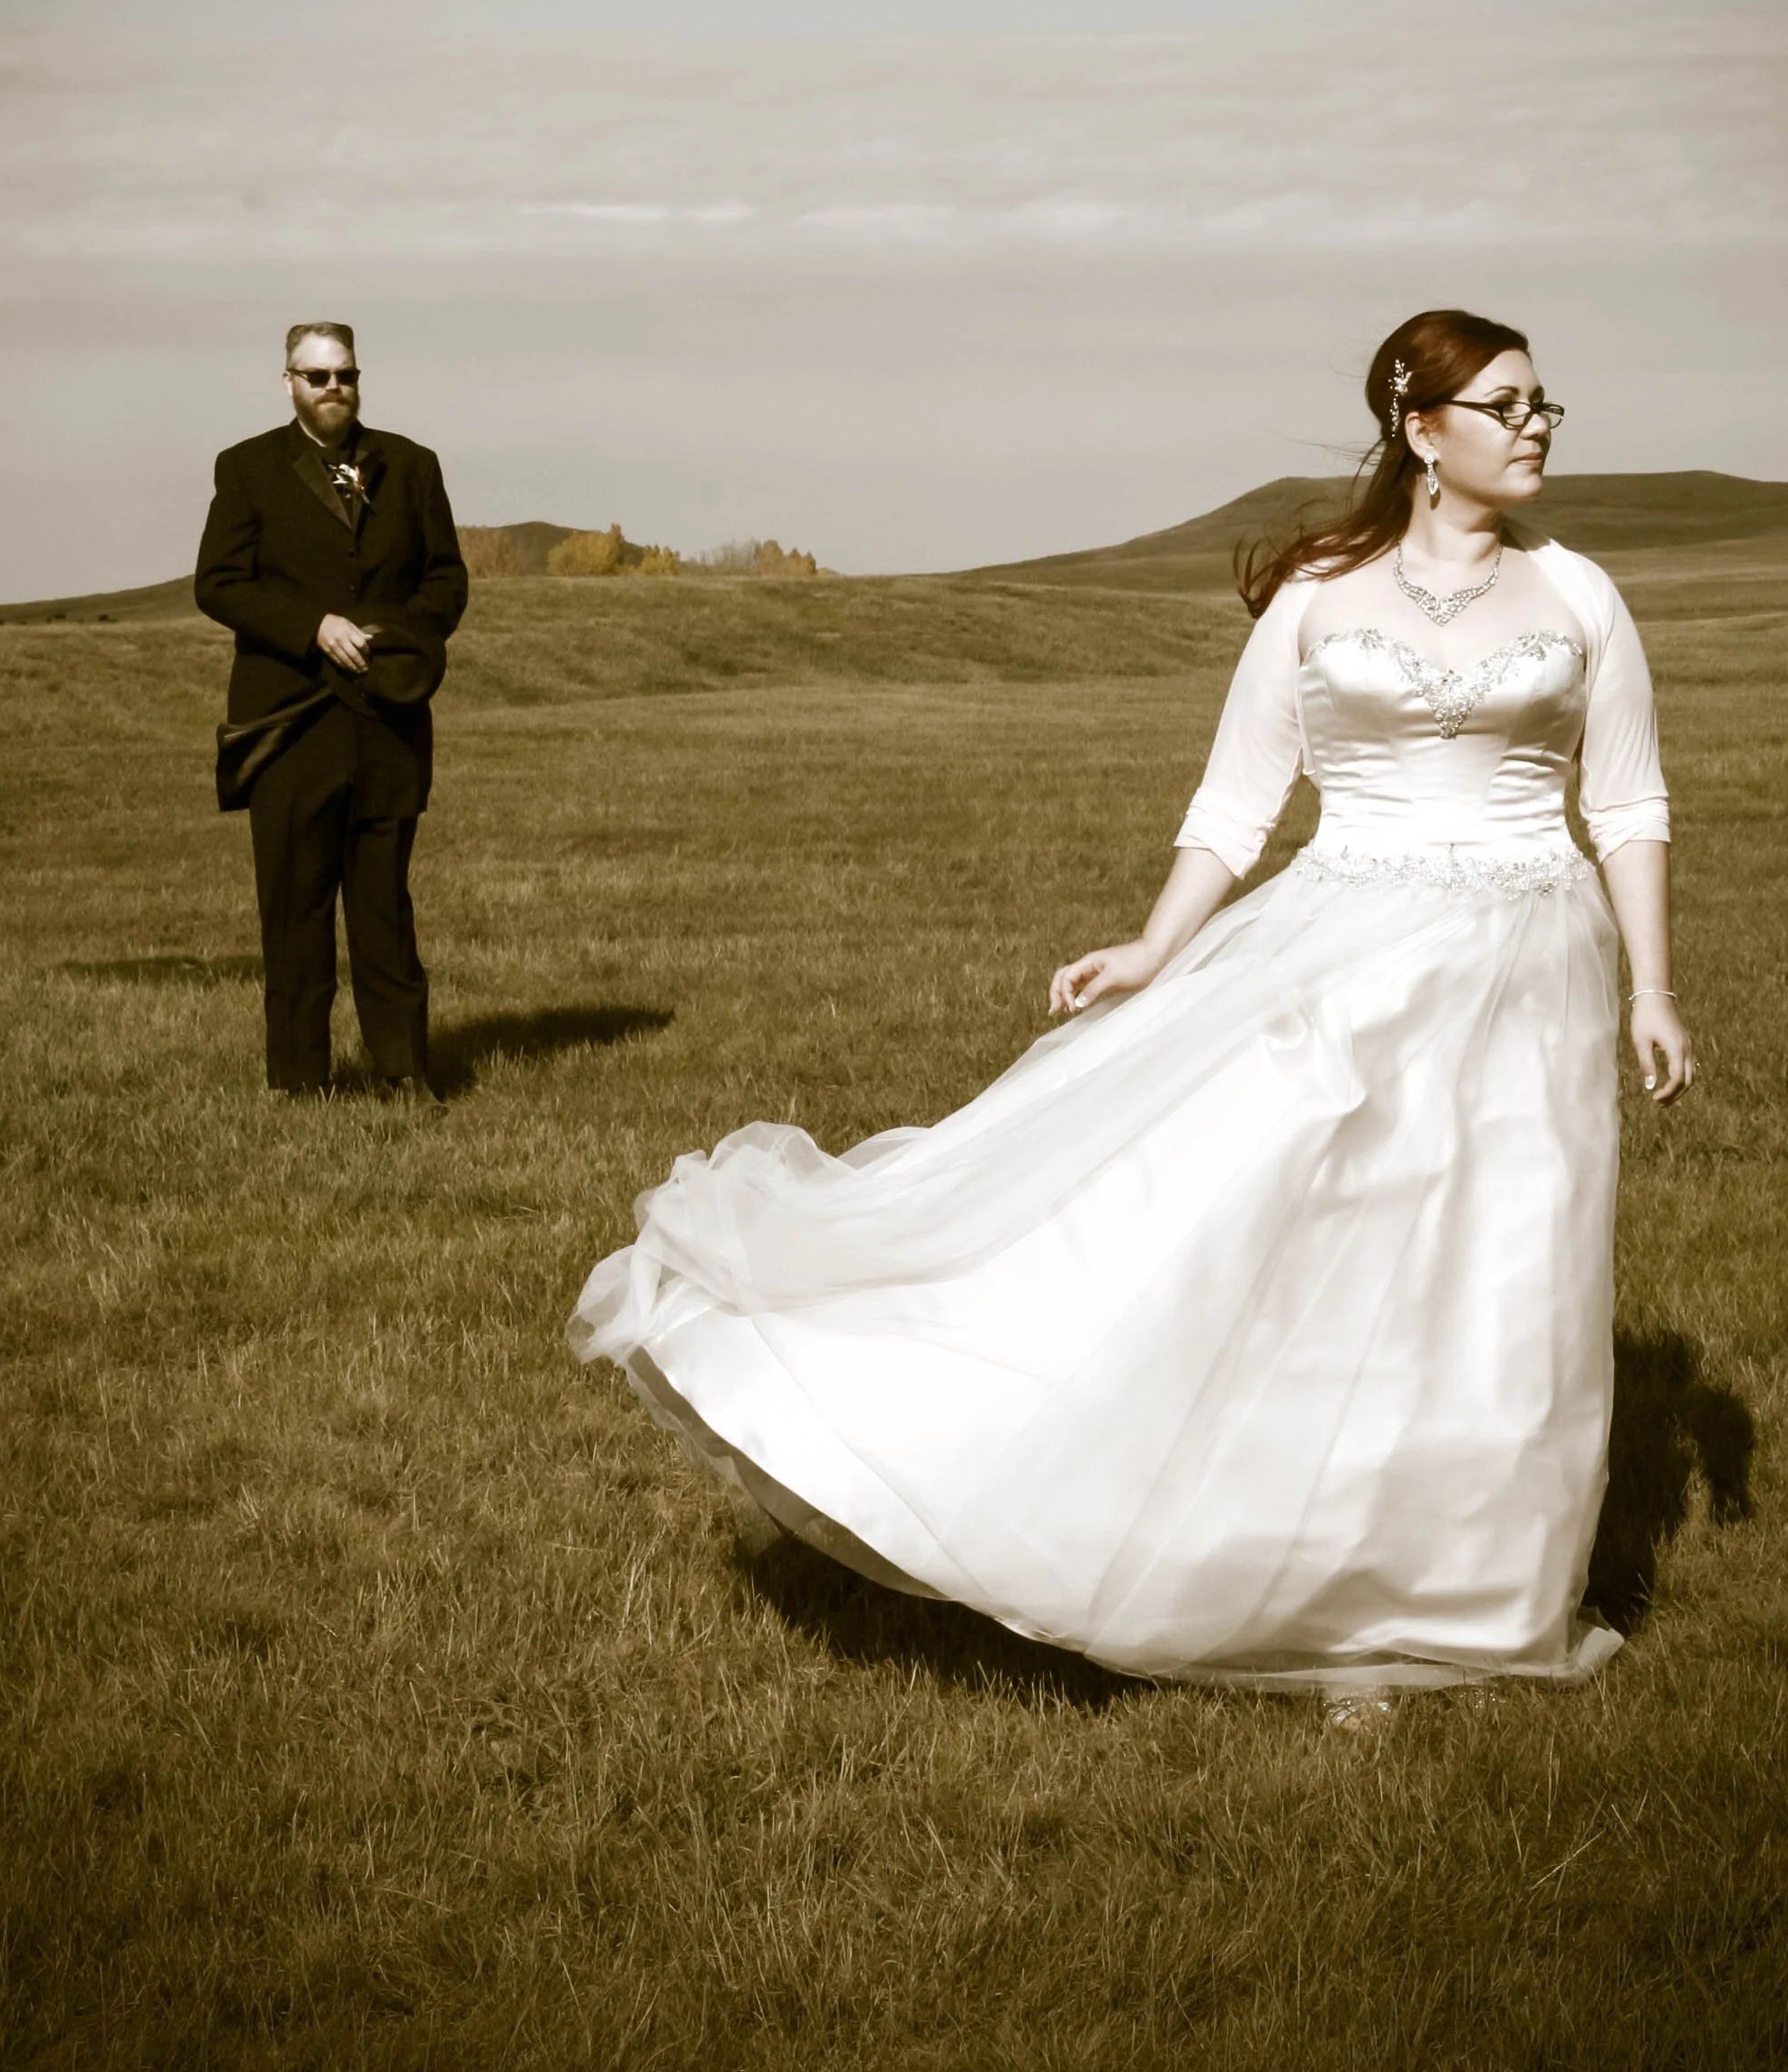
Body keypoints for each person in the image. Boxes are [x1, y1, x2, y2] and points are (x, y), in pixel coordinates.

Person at [570, 310, 1694, 1696]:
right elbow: (1238, 799)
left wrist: (1654, 986)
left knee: (1500, 1280)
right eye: (1509, 404)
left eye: (1545, 408)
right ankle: (1259, 1562)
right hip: (1340, 949)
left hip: (1529, 965)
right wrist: (1159, 949)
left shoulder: (1580, 593)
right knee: (1273, 1243)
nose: (1537, 427)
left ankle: (1458, 1609)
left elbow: (1627, 801)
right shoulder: (1318, 599)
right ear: (1422, 431)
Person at [195, 325, 468, 1100]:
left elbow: (446, 583)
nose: (332, 389)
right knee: (295, 913)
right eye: (315, 377)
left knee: (384, 909)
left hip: (389, 726)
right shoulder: (245, 469)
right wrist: (312, 626)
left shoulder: (413, 466)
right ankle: (298, 1083)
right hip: (291, 725)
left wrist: (394, 638)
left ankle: (404, 1074)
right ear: (288, 382)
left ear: (359, 378)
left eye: (343, 374)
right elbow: (219, 583)